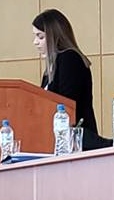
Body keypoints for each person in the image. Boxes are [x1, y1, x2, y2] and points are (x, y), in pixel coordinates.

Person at [32, 9, 106, 149]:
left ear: (55, 36)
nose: (35, 42)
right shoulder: (51, 67)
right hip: (62, 142)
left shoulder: (69, 58)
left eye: (40, 37)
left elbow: (67, 103)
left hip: (77, 141)